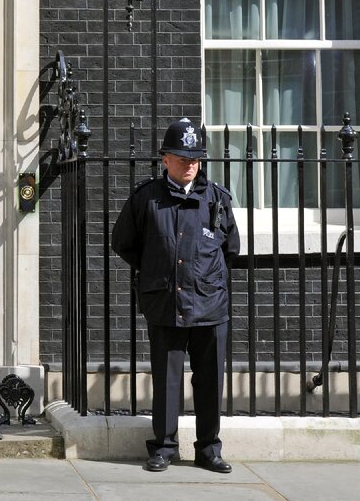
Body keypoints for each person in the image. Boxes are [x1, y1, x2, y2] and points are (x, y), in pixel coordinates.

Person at [111, 117, 240, 474]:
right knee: (167, 380)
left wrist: (203, 277)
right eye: (183, 158)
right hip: (165, 301)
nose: (190, 165)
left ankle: (208, 449)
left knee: (210, 381)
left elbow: (231, 248)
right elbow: (123, 242)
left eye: (195, 158)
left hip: (210, 304)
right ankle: (164, 447)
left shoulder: (217, 199)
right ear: (165, 158)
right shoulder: (147, 198)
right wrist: (156, 267)